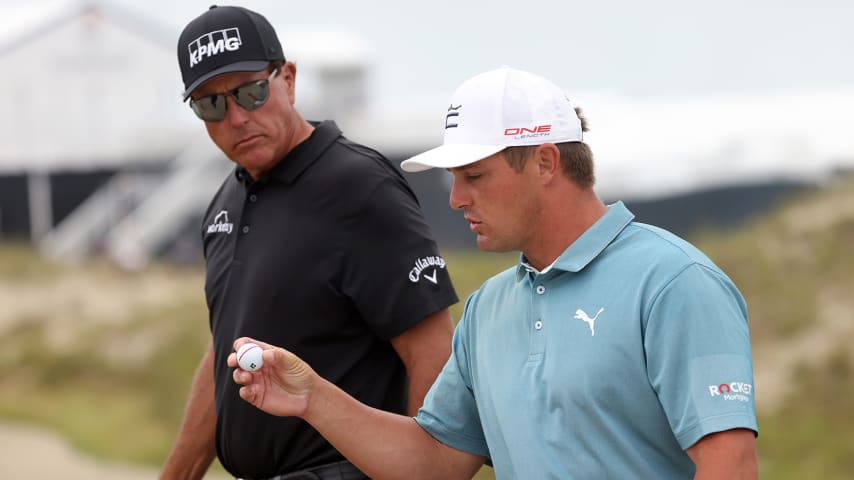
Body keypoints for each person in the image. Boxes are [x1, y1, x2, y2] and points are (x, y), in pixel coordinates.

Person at [228, 66, 760, 479]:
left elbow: (729, 464)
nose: (457, 199)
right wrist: (314, 399)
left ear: (546, 162)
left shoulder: (673, 282)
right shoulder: (488, 308)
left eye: (475, 175)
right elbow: (434, 462)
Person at [160, 6, 458, 480]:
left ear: (289, 79)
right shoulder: (225, 202)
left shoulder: (360, 188)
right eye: (211, 104)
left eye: (251, 92)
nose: (236, 117)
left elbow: (431, 352)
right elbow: (225, 354)